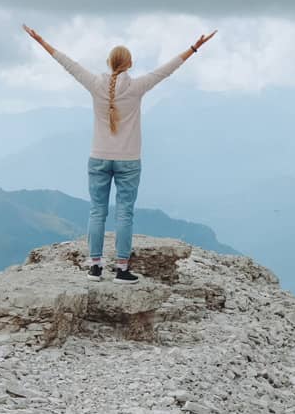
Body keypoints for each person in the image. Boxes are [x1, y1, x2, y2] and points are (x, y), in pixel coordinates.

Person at [23, 24, 216, 282]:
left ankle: (95, 267)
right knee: (124, 212)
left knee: (96, 211)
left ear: (109, 62)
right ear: (129, 64)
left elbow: (68, 64)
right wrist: (194, 48)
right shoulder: (137, 87)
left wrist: (41, 40)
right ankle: (122, 269)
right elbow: (166, 71)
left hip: (98, 157)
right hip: (129, 160)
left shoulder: (94, 84)